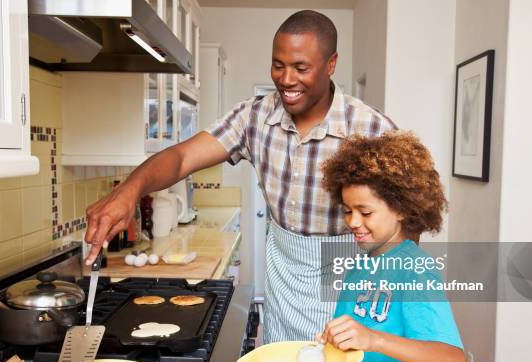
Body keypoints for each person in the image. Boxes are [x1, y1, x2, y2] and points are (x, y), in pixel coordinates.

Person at [84, 10, 396, 343]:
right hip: (284, 287)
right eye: (278, 65)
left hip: (345, 286)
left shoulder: (371, 130)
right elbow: (182, 157)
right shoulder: (254, 116)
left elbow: (404, 228)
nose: (287, 79)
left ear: (331, 64)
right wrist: (131, 190)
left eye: (301, 68)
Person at [318, 130, 465, 362]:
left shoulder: (415, 269)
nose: (353, 222)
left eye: (365, 213)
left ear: (400, 209)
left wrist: (373, 339)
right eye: (347, 211)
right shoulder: (362, 261)